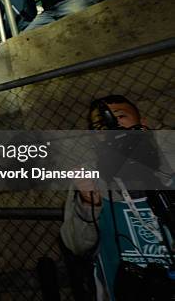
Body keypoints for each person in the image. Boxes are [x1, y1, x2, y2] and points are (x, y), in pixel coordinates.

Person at [60, 95, 174, 300]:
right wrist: (87, 207)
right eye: (100, 124)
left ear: (143, 123)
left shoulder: (170, 167)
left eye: (121, 116)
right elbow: (76, 246)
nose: (113, 125)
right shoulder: (88, 178)